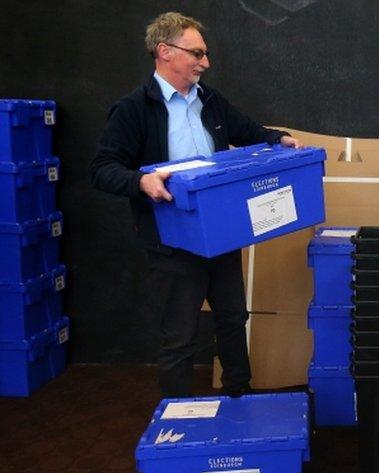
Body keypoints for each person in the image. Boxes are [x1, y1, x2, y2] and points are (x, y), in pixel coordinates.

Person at [90, 12, 302, 397]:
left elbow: (246, 129)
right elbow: (102, 169)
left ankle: (240, 402)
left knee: (233, 321)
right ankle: (177, 422)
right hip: (172, 243)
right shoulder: (133, 109)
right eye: (197, 53)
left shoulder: (210, 100)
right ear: (165, 51)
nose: (205, 63)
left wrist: (277, 138)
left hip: (221, 235)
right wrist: (141, 180)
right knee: (180, 337)